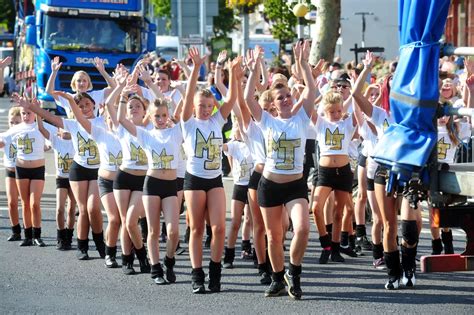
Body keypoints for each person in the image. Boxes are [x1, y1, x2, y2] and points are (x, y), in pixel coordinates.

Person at [244, 41, 317, 300]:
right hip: (269, 186)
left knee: (303, 229)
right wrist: (254, 69)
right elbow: (246, 98)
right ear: (273, 104)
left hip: (295, 186)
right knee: (274, 237)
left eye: (288, 96)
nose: (286, 100)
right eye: (280, 98)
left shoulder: (301, 117)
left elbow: (313, 89)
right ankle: (277, 278)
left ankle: (293, 273)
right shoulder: (267, 122)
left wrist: (303, 62)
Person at [18, 92, 106, 260]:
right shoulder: (73, 124)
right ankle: (82, 246)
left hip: (97, 170)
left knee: (93, 208)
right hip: (78, 170)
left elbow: (118, 114)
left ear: (94, 104)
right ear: (75, 109)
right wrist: (31, 107)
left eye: (87, 104)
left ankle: (100, 243)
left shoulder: (102, 121)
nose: (84, 108)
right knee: (83, 210)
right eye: (79, 106)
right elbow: (50, 117)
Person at [181, 47, 238, 294]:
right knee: (196, 228)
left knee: (219, 228)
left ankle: (215, 273)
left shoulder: (217, 120)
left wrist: (232, 74)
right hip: (194, 180)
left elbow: (233, 100)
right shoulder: (188, 123)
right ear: (194, 107)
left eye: (208, 105)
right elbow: (187, 99)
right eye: (200, 105)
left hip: (215, 179)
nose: (204, 109)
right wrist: (195, 68)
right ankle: (197, 274)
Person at [119, 93, 182, 284]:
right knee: (153, 231)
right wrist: (122, 96)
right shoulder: (145, 134)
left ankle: (169, 260)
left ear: (168, 115)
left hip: (171, 185)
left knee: (173, 232)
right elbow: (121, 119)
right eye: (157, 116)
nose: (161, 120)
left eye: (164, 115)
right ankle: (156, 269)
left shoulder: (177, 131)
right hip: (152, 184)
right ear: (150, 117)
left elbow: (186, 109)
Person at [107, 76, 151, 275]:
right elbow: (109, 104)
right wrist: (122, 92)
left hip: (143, 179)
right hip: (123, 177)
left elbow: (165, 105)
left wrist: (146, 86)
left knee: (132, 220)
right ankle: (127, 260)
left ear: (144, 110)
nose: (134, 108)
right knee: (125, 221)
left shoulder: (151, 129)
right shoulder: (121, 127)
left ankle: (141, 254)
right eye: (130, 106)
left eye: (137, 106)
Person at [2, 95, 47, 247]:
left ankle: (37, 235)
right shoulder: (16, 129)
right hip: (21, 169)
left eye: (29, 112)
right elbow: (2, 140)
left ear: (34, 112)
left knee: (35, 203)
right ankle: (27, 236)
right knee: (25, 203)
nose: (26, 116)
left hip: (38, 169)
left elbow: (58, 134)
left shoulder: (40, 126)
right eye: (23, 113)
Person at [37, 120, 77, 250]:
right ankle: (60, 236)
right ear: (58, 130)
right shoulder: (55, 140)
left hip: (75, 179)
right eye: (62, 128)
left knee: (71, 209)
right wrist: (37, 111)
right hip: (61, 178)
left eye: (68, 129)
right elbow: (41, 128)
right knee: (60, 208)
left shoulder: (76, 142)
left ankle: (69, 237)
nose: (65, 131)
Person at [46, 56, 116, 117]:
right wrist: (54, 72)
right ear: (74, 83)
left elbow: (113, 88)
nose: (82, 83)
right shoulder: (68, 97)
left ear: (88, 83)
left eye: (84, 81)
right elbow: (49, 91)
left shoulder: (95, 95)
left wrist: (103, 71)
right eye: (79, 81)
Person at [1, 106, 22, 241]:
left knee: (28, 203)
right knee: (12, 202)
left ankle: (32, 230)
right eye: (11, 122)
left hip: (25, 171)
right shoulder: (6, 135)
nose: (13, 125)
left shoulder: (26, 133)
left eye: (17, 122)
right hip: (10, 170)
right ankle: (15, 230)